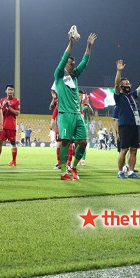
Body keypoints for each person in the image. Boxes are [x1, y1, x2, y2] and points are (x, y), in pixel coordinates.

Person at [54, 28, 97, 181]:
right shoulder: (59, 75)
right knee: (65, 141)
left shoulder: (75, 76)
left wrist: (89, 46)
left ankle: (74, 166)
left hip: (77, 115)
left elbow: (85, 62)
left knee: (83, 142)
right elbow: (63, 57)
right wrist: (71, 43)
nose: (73, 65)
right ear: (65, 64)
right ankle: (64, 171)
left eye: (73, 63)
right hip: (65, 115)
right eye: (71, 63)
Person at [114, 60, 140, 179]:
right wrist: (119, 71)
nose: (127, 85)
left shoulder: (132, 95)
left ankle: (130, 171)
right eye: (125, 83)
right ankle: (120, 172)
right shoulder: (118, 96)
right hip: (124, 126)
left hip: (135, 126)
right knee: (124, 150)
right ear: (121, 86)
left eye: (128, 83)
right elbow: (116, 85)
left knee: (134, 150)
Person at [0, 84, 21, 166]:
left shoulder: (16, 100)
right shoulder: (1, 100)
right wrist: (3, 106)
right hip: (3, 125)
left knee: (13, 143)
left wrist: (8, 107)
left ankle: (13, 161)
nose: (10, 91)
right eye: (9, 90)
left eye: (12, 90)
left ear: (13, 91)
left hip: (11, 125)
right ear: (6, 91)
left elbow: (17, 113)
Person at [77, 90, 94, 166]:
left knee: (83, 143)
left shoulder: (85, 105)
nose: (79, 96)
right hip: (75, 125)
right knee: (75, 143)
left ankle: (83, 159)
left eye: (80, 95)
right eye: (78, 95)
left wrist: (88, 105)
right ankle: (76, 159)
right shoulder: (75, 104)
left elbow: (92, 113)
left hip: (83, 126)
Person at [49, 89, 61, 169]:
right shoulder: (57, 101)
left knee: (69, 144)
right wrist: (53, 98)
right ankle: (60, 162)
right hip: (59, 125)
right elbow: (51, 108)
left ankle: (69, 163)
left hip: (68, 123)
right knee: (59, 143)